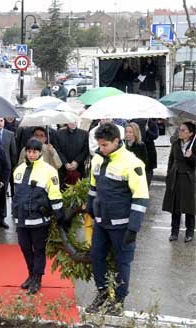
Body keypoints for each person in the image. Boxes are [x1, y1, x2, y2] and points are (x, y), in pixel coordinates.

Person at [86, 123, 149, 315]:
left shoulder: (132, 163)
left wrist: (133, 228)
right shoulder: (97, 159)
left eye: (105, 145)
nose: (101, 148)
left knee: (123, 262)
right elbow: (93, 187)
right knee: (97, 257)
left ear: (116, 141)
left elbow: (140, 196)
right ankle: (103, 293)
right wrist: (90, 208)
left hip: (122, 225)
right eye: (99, 144)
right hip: (101, 222)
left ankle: (119, 300)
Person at [12, 139, 65, 294]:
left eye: (34, 151)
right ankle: (30, 274)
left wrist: (60, 215)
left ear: (40, 152)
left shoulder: (49, 171)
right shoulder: (19, 169)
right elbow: (16, 194)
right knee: (25, 248)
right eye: (29, 151)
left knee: (39, 249)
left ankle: (37, 278)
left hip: (39, 218)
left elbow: (55, 194)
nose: (31, 154)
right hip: (21, 218)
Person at [162, 122, 195, 243]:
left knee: (189, 207)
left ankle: (189, 232)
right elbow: (171, 159)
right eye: (179, 129)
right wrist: (168, 174)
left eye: (183, 130)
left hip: (189, 179)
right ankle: (174, 232)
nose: (179, 131)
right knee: (175, 206)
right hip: (175, 177)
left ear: (190, 133)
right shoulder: (175, 143)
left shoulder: (194, 144)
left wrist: (191, 157)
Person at [0, 117, 17, 229]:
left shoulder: (10, 134)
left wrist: (11, 167)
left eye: (1, 120)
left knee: (2, 195)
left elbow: (13, 153)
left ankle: (1, 219)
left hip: (5, 170)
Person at [56, 122, 89, 187]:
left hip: (79, 167)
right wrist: (65, 163)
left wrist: (77, 161)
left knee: (80, 189)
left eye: (75, 121)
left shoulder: (84, 134)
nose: (73, 123)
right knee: (63, 189)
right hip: (63, 168)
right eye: (71, 121)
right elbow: (57, 150)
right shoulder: (59, 134)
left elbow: (85, 150)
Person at [131, 118, 159, 185]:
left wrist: (148, 130)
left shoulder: (152, 123)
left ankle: (146, 186)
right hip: (138, 149)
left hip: (149, 149)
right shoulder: (135, 122)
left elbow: (155, 136)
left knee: (148, 170)